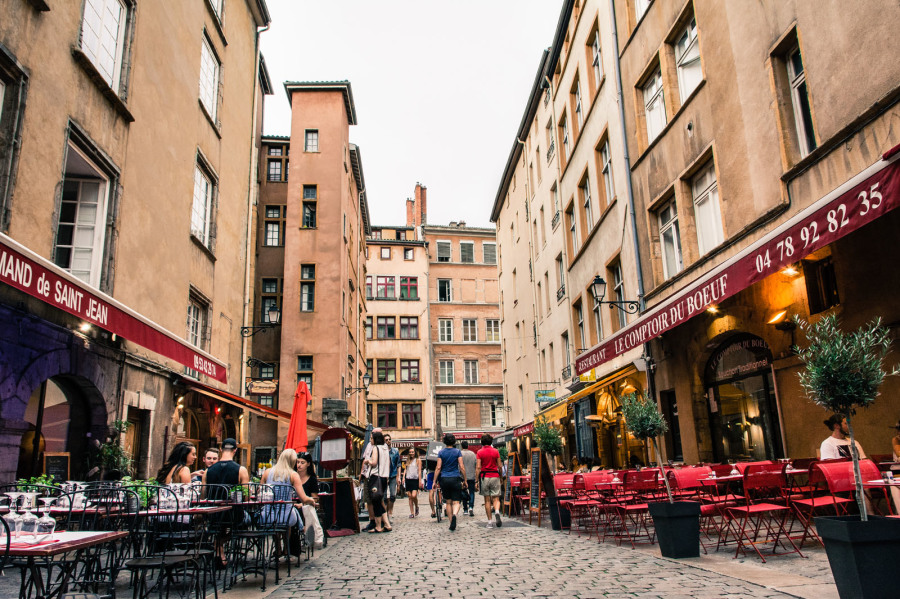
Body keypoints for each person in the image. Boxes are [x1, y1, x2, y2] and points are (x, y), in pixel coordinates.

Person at [201, 438, 249, 566]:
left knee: (219, 527)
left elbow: (203, 495)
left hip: (213, 515)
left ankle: (218, 546)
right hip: (234, 515)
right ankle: (220, 542)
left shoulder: (208, 471)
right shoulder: (241, 470)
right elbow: (246, 497)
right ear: (235, 450)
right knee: (248, 521)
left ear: (221, 450)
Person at [260, 449, 316, 528]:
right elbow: (303, 498)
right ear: (292, 461)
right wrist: (312, 500)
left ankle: (277, 540)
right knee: (288, 514)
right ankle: (287, 540)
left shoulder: (267, 472)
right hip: (287, 517)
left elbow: (260, 493)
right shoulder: (293, 475)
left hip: (267, 516)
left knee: (279, 519)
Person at [433, 433, 466, 531]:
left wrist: (434, 481)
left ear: (444, 442)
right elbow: (461, 466)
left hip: (444, 478)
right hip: (455, 478)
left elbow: (438, 467)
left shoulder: (441, 452)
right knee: (456, 501)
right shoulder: (457, 452)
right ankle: (455, 515)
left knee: (448, 502)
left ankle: (451, 522)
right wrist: (465, 479)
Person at [363, 431, 391, 533]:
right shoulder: (386, 449)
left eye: (371, 438)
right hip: (384, 477)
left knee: (376, 502)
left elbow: (374, 463)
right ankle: (387, 524)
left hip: (375, 477)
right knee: (379, 501)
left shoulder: (376, 448)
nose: (371, 440)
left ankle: (378, 526)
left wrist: (367, 461)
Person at [475, 434, 503, 528]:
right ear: (491, 441)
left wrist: (476, 480)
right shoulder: (496, 451)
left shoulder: (479, 452)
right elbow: (499, 465)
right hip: (495, 476)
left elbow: (478, 467)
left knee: (487, 500)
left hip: (485, 476)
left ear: (482, 442)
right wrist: (501, 477)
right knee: (496, 498)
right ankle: (497, 512)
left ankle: (490, 522)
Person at [359, 427, 382, 532]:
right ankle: (373, 520)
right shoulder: (369, 445)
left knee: (376, 499)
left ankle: (377, 521)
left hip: (375, 475)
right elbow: (365, 459)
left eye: (373, 435)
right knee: (369, 500)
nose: (370, 437)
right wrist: (361, 473)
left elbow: (373, 462)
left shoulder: (380, 448)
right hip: (367, 475)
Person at [384, 434, 401, 519]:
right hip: (383, 475)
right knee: (384, 497)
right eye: (386, 440)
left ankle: (390, 512)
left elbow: (398, 464)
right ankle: (385, 513)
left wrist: (399, 477)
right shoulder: (382, 451)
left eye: (389, 439)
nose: (388, 441)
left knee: (393, 495)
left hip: (393, 475)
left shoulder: (395, 451)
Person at [404, 448, 423, 518]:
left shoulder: (418, 460)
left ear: (415, 452)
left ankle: (417, 506)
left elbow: (419, 471)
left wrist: (420, 481)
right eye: (410, 452)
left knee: (414, 495)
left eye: (412, 452)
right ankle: (412, 513)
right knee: (410, 497)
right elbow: (406, 469)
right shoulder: (408, 460)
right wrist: (403, 478)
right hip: (408, 479)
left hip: (415, 479)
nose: (411, 453)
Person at [460, 441, 477, 517]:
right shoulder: (473, 454)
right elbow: (476, 465)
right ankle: (470, 507)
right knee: (472, 492)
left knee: (463, 492)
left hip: (462, 476)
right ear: (468, 446)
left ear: (461, 446)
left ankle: (465, 509)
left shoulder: (460, 454)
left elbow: (459, 466)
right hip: (471, 476)